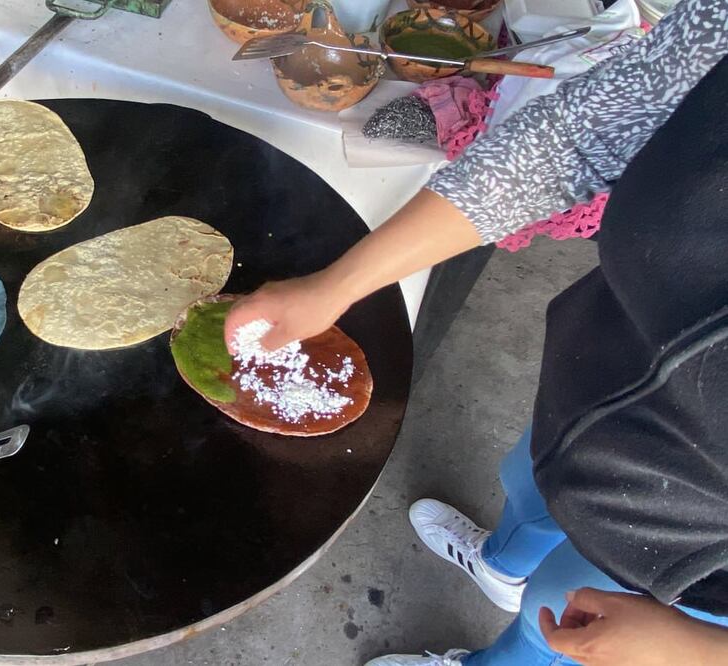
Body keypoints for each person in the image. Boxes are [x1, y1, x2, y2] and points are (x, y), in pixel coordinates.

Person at [223, 1, 728, 664]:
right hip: (609, 385)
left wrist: (702, 647)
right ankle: (499, 565)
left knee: (558, 621)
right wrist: (336, 285)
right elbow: (586, 130)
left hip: (698, 543)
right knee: (529, 484)